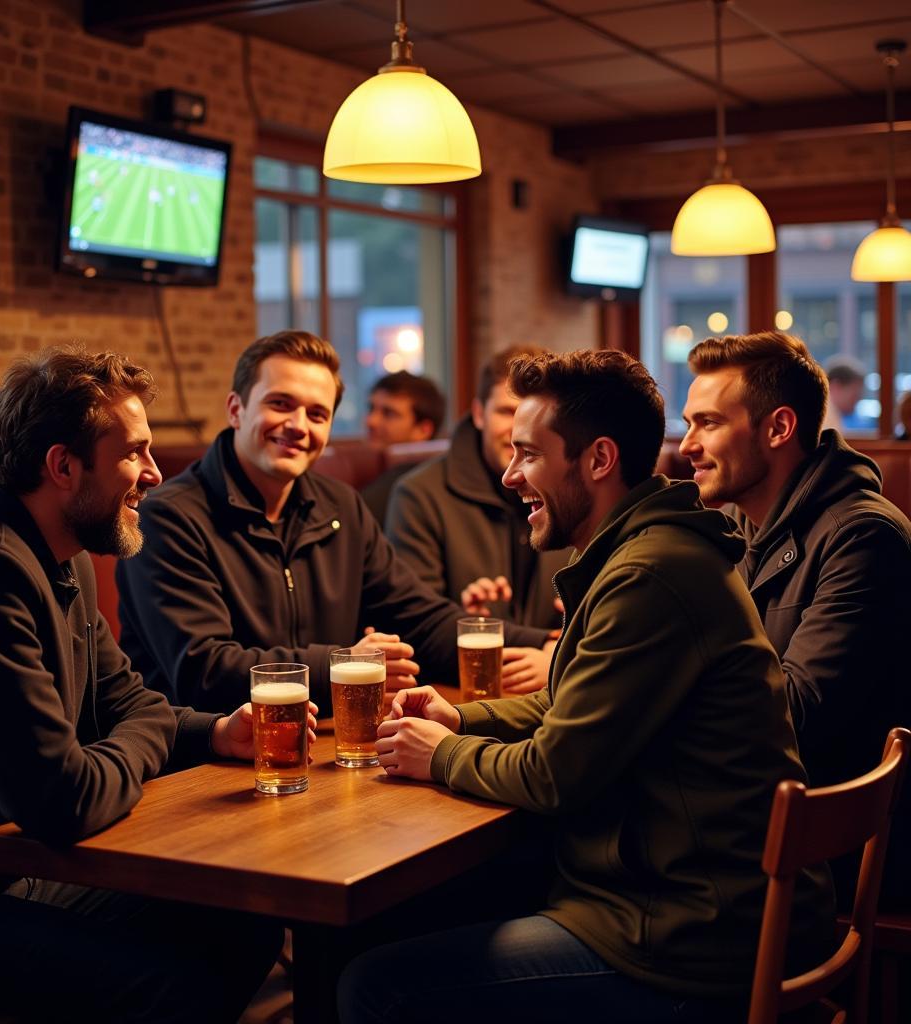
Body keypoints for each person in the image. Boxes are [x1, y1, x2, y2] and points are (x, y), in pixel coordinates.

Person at [339, 349, 833, 1023]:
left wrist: (440, 755)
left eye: (529, 455)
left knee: (376, 984)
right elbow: (573, 704)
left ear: (598, 460)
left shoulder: (649, 574)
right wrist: (464, 723)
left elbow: (553, 776)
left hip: (691, 939)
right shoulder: (643, 552)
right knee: (396, 917)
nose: (511, 476)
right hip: (690, 899)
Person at [0, 348, 299, 1022]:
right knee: (173, 988)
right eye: (134, 453)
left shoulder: (56, 550)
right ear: (62, 466)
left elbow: (127, 701)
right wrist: (149, 734)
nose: (155, 473)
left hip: (8, 875)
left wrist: (219, 731)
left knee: (245, 918)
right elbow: (67, 800)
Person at [116, 330, 549, 715]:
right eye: (280, 404)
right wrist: (345, 663)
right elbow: (203, 670)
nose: (298, 426)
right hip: (197, 768)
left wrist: (548, 644)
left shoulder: (340, 506)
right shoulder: (168, 518)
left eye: (317, 414)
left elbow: (421, 618)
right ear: (236, 408)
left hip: (322, 745)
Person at [681, 330, 911, 906]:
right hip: (760, 833)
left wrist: (652, 680)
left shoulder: (862, 536)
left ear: (778, 428)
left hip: (827, 869)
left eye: (707, 423)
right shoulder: (744, 530)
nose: (686, 444)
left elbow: (797, 715)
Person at [386, 345, 566, 694]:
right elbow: (415, 628)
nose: (519, 431)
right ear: (479, 413)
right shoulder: (419, 495)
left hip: (554, 696)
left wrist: (561, 654)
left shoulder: (573, 493)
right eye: (506, 411)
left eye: (535, 415)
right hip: (454, 698)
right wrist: (550, 647)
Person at [362, 370, 446, 523]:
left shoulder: (411, 490)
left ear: (423, 430)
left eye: (388, 413)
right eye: (371, 409)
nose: (371, 421)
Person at [822, 353, 869, 433]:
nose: (857, 401)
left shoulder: (833, 414)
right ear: (836, 386)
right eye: (855, 396)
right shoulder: (824, 417)